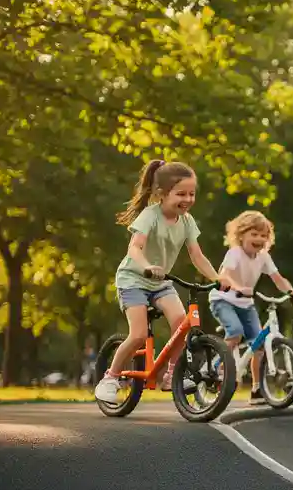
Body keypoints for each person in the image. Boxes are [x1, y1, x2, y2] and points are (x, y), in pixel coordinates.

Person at [94, 159, 222, 403]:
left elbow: (197, 255)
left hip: (161, 282)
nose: (188, 199)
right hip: (133, 278)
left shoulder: (187, 222)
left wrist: (217, 277)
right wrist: (147, 267)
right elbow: (134, 248)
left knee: (180, 323)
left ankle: (172, 374)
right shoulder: (150, 216)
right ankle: (110, 378)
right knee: (139, 334)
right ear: (162, 194)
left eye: (192, 194)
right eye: (181, 194)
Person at [209, 210, 293, 406]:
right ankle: (218, 367)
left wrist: (291, 291)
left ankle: (256, 388)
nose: (259, 239)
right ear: (241, 235)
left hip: (245, 303)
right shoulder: (234, 253)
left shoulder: (264, 257)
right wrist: (238, 288)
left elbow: (278, 279)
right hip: (223, 299)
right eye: (254, 234)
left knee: (259, 344)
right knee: (235, 332)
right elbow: (225, 275)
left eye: (263, 235)